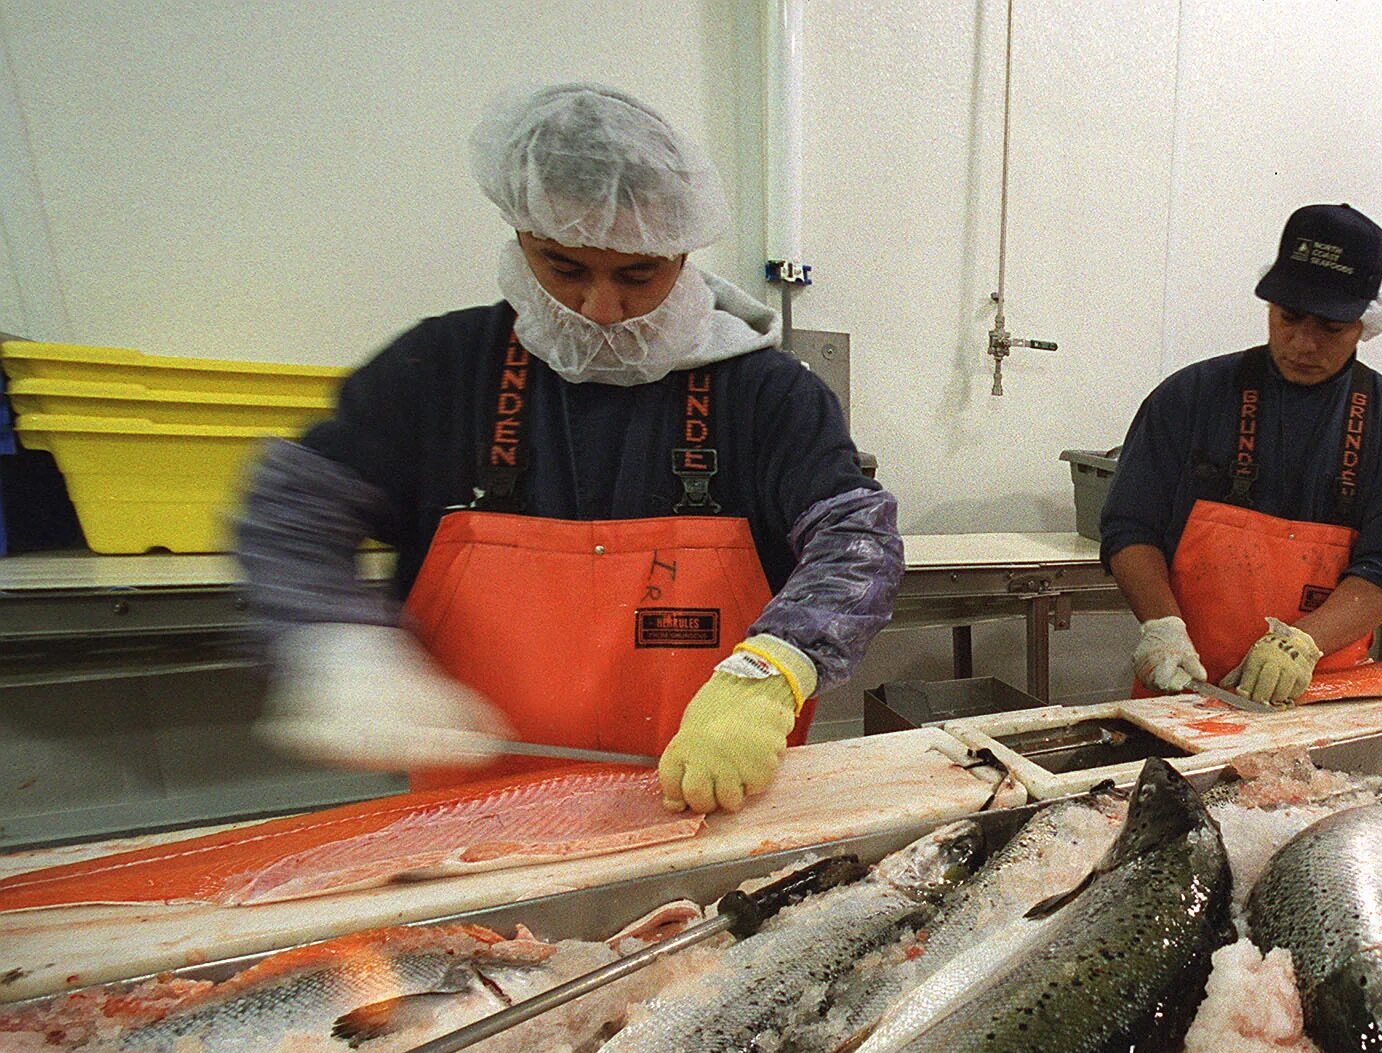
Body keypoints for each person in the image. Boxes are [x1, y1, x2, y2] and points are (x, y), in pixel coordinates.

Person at [234, 83, 902, 814]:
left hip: (710, 811)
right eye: (565, 268)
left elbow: (854, 538)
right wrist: (335, 642)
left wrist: (774, 667)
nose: (600, 308)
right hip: (471, 825)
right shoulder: (439, 371)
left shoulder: (767, 395)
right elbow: (293, 510)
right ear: (520, 237)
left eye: (637, 274)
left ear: (681, 252)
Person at [1098, 204, 1382, 710]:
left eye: (1331, 327)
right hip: (1183, 688)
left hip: (1319, 691)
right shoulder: (1190, 397)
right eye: (1288, 317)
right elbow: (1130, 528)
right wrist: (1162, 627)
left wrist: (1299, 644)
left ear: (1364, 324)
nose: (1303, 343)